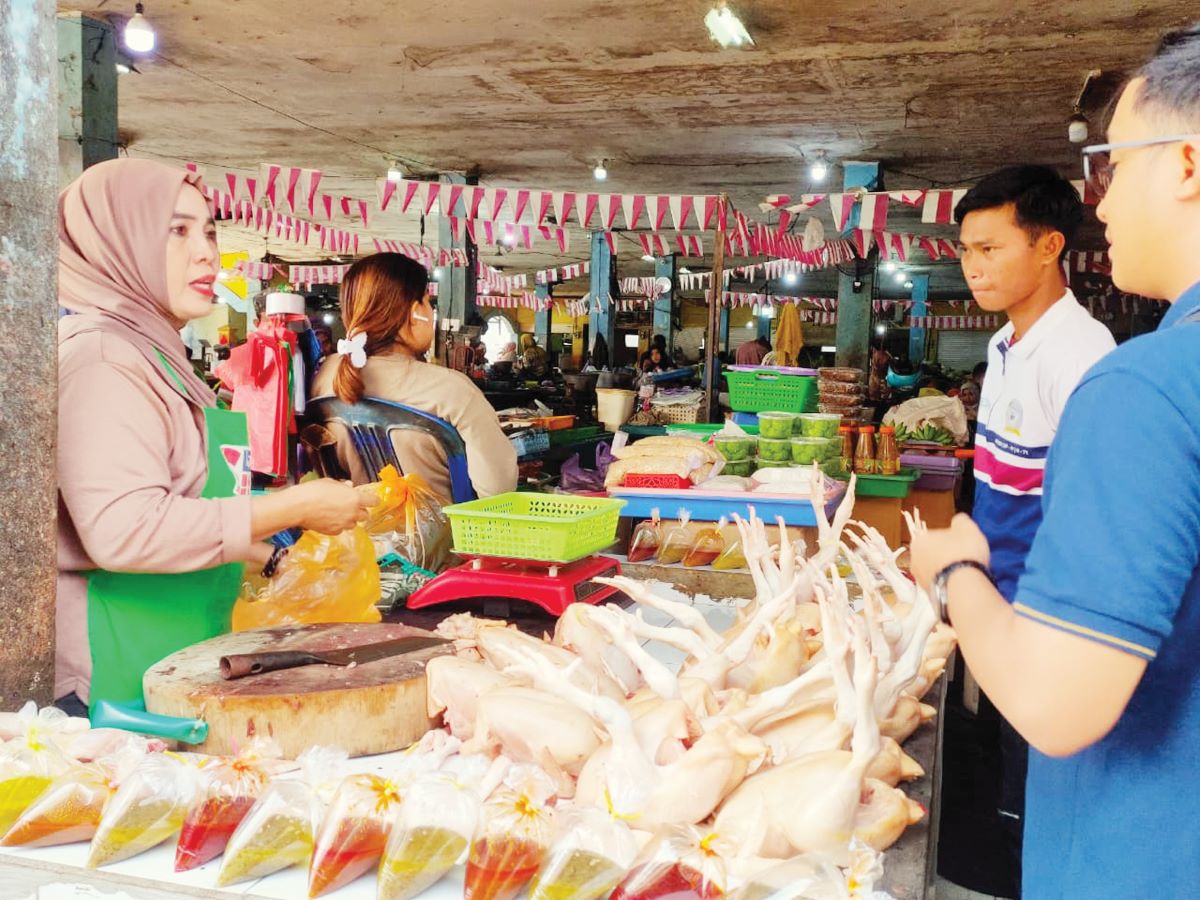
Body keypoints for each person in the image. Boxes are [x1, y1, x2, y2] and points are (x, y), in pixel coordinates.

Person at [911, 25, 1200, 899]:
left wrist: (953, 569)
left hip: (1139, 853)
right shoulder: (1027, 353)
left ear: (1188, 165)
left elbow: (1056, 702)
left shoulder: (1138, 384)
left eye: (1114, 165)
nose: (1099, 205)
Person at [56, 159, 372, 715]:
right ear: (118, 244)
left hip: (172, 655)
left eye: (208, 231)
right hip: (113, 676)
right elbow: (123, 530)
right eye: (176, 231)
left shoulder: (154, 353)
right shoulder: (103, 359)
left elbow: (186, 497)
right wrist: (293, 507)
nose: (207, 253)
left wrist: (265, 551)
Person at [952, 163, 1116, 893]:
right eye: (966, 250)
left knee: (1037, 800)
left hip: (1045, 626)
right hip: (1001, 607)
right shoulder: (1004, 347)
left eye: (991, 248)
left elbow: (1092, 517)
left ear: (1049, 247)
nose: (973, 266)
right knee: (1000, 786)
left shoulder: (1081, 356)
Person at [312, 253, 517, 502]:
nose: (431, 312)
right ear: (414, 312)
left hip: (354, 526)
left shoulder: (324, 377)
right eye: (428, 303)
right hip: (445, 529)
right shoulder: (452, 389)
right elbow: (498, 491)